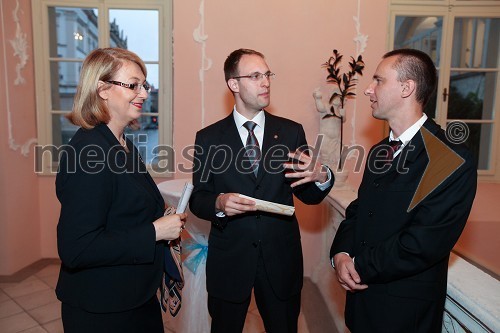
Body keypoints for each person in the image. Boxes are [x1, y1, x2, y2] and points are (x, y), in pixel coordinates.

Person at [329, 48, 477, 333]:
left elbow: (422, 243)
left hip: (404, 316)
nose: (368, 90)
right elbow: (359, 211)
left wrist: (359, 264)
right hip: (361, 308)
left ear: (407, 88)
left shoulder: (449, 158)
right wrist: (341, 253)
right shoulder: (379, 151)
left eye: (378, 81)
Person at [189, 48, 334, 332]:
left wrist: (321, 176)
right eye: (255, 76)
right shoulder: (208, 138)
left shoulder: (291, 132)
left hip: (280, 261)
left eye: (267, 74)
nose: (265, 82)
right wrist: (218, 202)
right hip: (230, 261)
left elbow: (308, 195)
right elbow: (198, 198)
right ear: (234, 84)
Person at [55, 47, 187, 333]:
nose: (143, 93)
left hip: (132, 296)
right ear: (102, 89)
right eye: (133, 85)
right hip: (102, 309)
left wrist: (161, 219)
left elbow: (123, 210)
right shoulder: (89, 152)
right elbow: (76, 248)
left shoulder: (120, 143)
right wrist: (155, 231)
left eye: (144, 85)